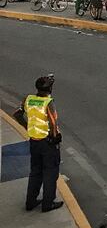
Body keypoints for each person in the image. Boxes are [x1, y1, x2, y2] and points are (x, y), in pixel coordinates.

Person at [20, 75, 63, 212]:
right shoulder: (48, 102)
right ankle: (48, 203)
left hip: (34, 141)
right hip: (47, 143)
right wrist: (55, 137)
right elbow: (53, 122)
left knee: (35, 171)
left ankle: (30, 202)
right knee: (50, 172)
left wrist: (28, 127)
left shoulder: (28, 99)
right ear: (50, 89)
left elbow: (17, 114)